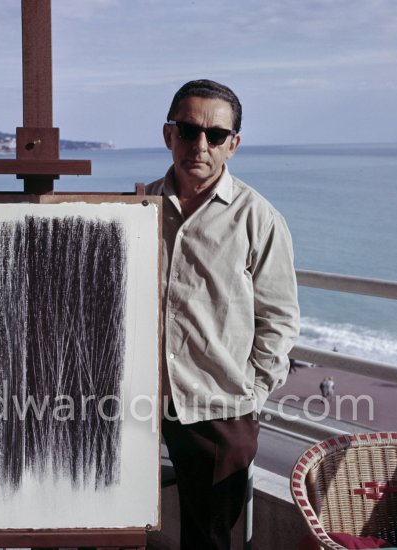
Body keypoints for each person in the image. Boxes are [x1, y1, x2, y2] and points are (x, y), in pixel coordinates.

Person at [146, 79, 300, 549]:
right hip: (135, 399)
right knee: (110, 517)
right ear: (168, 134)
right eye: (189, 130)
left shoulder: (259, 218)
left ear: (232, 145)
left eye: (215, 136)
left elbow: (280, 317)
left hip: (219, 408)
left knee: (208, 539)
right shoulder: (136, 208)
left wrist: (251, 391)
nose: (200, 144)